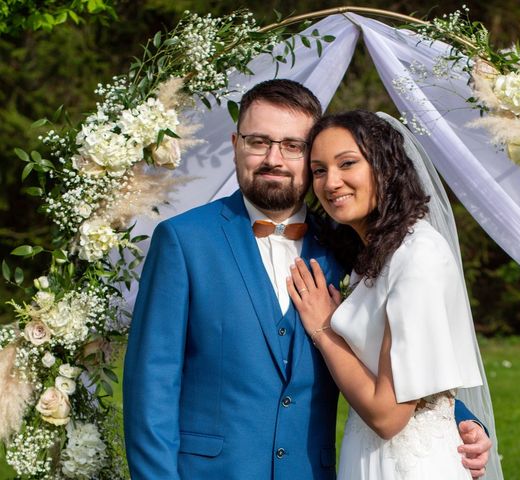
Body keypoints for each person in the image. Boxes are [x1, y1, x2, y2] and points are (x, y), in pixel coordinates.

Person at [123, 80, 492, 479]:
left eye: (292, 146)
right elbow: (150, 389)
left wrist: (463, 422)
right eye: (258, 141)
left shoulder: (347, 247)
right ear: (235, 144)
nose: (273, 158)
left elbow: (397, 347)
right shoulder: (184, 241)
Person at [287, 110, 498, 479]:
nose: (331, 182)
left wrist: (324, 329)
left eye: (347, 163)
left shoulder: (419, 257)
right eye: (319, 170)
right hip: (368, 455)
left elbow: (388, 415)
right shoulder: (375, 253)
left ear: (384, 166)